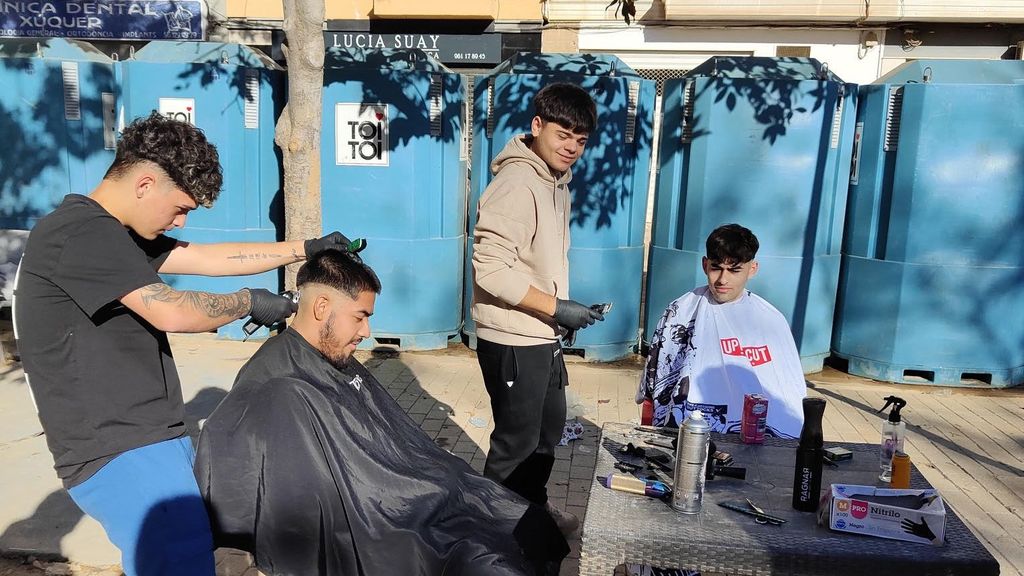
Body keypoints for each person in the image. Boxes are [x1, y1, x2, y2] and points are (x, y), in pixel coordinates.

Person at [13, 112, 354, 576]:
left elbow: (208, 258)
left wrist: (305, 248)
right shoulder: (79, 231)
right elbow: (170, 308)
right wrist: (249, 302)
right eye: (180, 208)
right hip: (115, 446)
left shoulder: (116, 234)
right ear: (145, 183)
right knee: (180, 561)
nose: (180, 221)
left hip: (152, 435)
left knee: (199, 555)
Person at [194, 250, 568, 576]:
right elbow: (254, 487)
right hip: (376, 515)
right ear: (322, 307)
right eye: (359, 316)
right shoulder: (275, 385)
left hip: (399, 491)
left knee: (508, 513)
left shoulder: (332, 358)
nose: (367, 332)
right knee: (479, 556)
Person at [471, 82, 607, 536]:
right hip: (512, 340)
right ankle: (491, 537)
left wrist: (561, 313)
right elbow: (489, 270)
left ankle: (534, 513)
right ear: (537, 126)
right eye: (562, 133)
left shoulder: (554, 181)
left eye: (581, 140)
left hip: (541, 335)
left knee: (547, 434)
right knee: (515, 445)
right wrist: (556, 306)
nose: (571, 147)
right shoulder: (516, 183)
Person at [636, 223, 806, 438]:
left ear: (752, 269)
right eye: (716, 268)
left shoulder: (771, 321)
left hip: (756, 439)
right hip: (685, 436)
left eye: (734, 270)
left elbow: (791, 391)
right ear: (705, 265)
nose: (723, 280)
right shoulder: (680, 312)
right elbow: (653, 388)